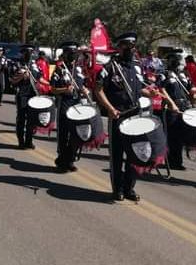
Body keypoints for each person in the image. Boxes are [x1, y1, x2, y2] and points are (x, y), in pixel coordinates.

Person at [95, 32, 163, 202]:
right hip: (118, 115)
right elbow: (98, 89)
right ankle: (117, 189)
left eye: (133, 45)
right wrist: (110, 108)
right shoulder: (109, 67)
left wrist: (150, 92)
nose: (131, 48)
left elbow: (140, 89)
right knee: (117, 155)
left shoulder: (137, 66)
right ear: (119, 47)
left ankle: (129, 187)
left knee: (136, 152)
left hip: (135, 114)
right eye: (127, 45)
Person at [158, 50, 196, 170]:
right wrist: (171, 103)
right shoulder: (164, 74)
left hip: (184, 107)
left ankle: (177, 162)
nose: (179, 63)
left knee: (180, 135)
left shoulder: (183, 75)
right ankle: (170, 161)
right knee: (171, 136)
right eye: (176, 60)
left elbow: (191, 89)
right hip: (171, 108)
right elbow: (162, 90)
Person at [50, 41, 90, 173]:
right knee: (63, 134)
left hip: (77, 104)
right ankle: (62, 160)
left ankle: (70, 159)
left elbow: (82, 85)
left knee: (75, 134)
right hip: (64, 104)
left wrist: (84, 90)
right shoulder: (59, 69)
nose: (73, 56)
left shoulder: (78, 69)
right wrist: (64, 90)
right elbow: (53, 89)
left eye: (75, 53)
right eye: (70, 54)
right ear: (65, 54)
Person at [10, 44, 47, 149]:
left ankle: (29, 141)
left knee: (32, 119)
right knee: (21, 119)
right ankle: (21, 141)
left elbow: (39, 78)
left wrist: (49, 84)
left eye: (31, 52)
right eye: (27, 52)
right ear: (22, 53)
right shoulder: (16, 64)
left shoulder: (34, 65)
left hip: (33, 94)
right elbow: (12, 80)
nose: (29, 55)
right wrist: (21, 76)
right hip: (22, 94)